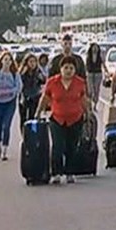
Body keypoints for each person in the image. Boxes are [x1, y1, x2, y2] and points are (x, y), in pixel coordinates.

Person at [35, 56, 88, 185]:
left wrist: (88, 113)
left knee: (72, 146)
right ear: (61, 69)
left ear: (75, 69)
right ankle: (56, 173)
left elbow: (83, 99)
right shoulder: (53, 82)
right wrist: (38, 112)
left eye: (71, 68)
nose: (68, 70)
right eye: (66, 68)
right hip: (57, 119)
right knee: (57, 146)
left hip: (75, 119)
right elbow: (45, 98)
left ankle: (70, 173)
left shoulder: (79, 82)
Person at [0, 51, 23, 161]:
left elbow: (19, 86)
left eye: (9, 60)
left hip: (10, 103)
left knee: (6, 126)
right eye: (5, 59)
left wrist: (11, 92)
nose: (7, 62)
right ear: (1, 61)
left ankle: (4, 151)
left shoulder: (14, 74)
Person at [18, 53, 46, 130]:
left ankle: (32, 136)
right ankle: (24, 135)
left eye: (34, 61)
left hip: (35, 96)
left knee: (32, 117)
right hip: (24, 97)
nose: (32, 64)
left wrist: (41, 78)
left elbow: (44, 81)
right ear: (26, 62)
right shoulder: (23, 72)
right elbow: (19, 84)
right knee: (23, 118)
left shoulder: (38, 71)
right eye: (30, 61)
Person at [85, 43, 109, 110]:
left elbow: (103, 64)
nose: (95, 49)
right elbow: (86, 65)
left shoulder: (100, 56)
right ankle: (90, 103)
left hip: (98, 73)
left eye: (96, 47)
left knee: (97, 89)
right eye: (93, 47)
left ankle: (95, 104)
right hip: (90, 73)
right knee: (90, 89)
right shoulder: (88, 56)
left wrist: (106, 72)